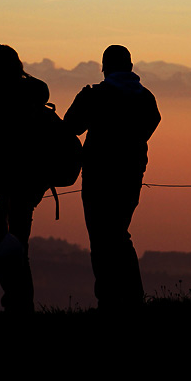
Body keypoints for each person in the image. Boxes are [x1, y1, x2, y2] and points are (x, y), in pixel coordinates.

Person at [64, 45, 161, 312]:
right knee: (119, 234)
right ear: (130, 66)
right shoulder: (146, 98)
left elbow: (71, 126)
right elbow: (152, 122)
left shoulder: (97, 95)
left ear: (104, 67)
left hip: (98, 176)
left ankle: (109, 300)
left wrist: (82, 98)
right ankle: (132, 297)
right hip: (131, 175)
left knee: (101, 238)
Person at [0, 44, 51, 317]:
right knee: (14, 245)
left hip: (19, 186)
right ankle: (19, 306)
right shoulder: (19, 97)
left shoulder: (14, 102)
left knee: (4, 245)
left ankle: (19, 307)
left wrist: (9, 187)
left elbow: (15, 148)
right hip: (22, 185)